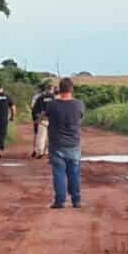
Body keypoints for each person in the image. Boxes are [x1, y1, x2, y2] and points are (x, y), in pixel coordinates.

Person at [47, 77, 87, 209]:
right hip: (73, 143)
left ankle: (60, 201)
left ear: (59, 89)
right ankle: (76, 200)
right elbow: (80, 118)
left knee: (59, 173)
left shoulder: (52, 104)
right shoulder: (79, 104)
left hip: (56, 143)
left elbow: (45, 116)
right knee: (74, 172)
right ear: (72, 89)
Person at [30, 81, 53, 159]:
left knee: (41, 137)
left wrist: (37, 119)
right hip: (53, 120)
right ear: (51, 89)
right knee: (51, 137)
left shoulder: (39, 98)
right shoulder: (55, 98)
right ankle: (49, 152)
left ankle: (40, 152)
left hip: (42, 120)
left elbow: (34, 110)